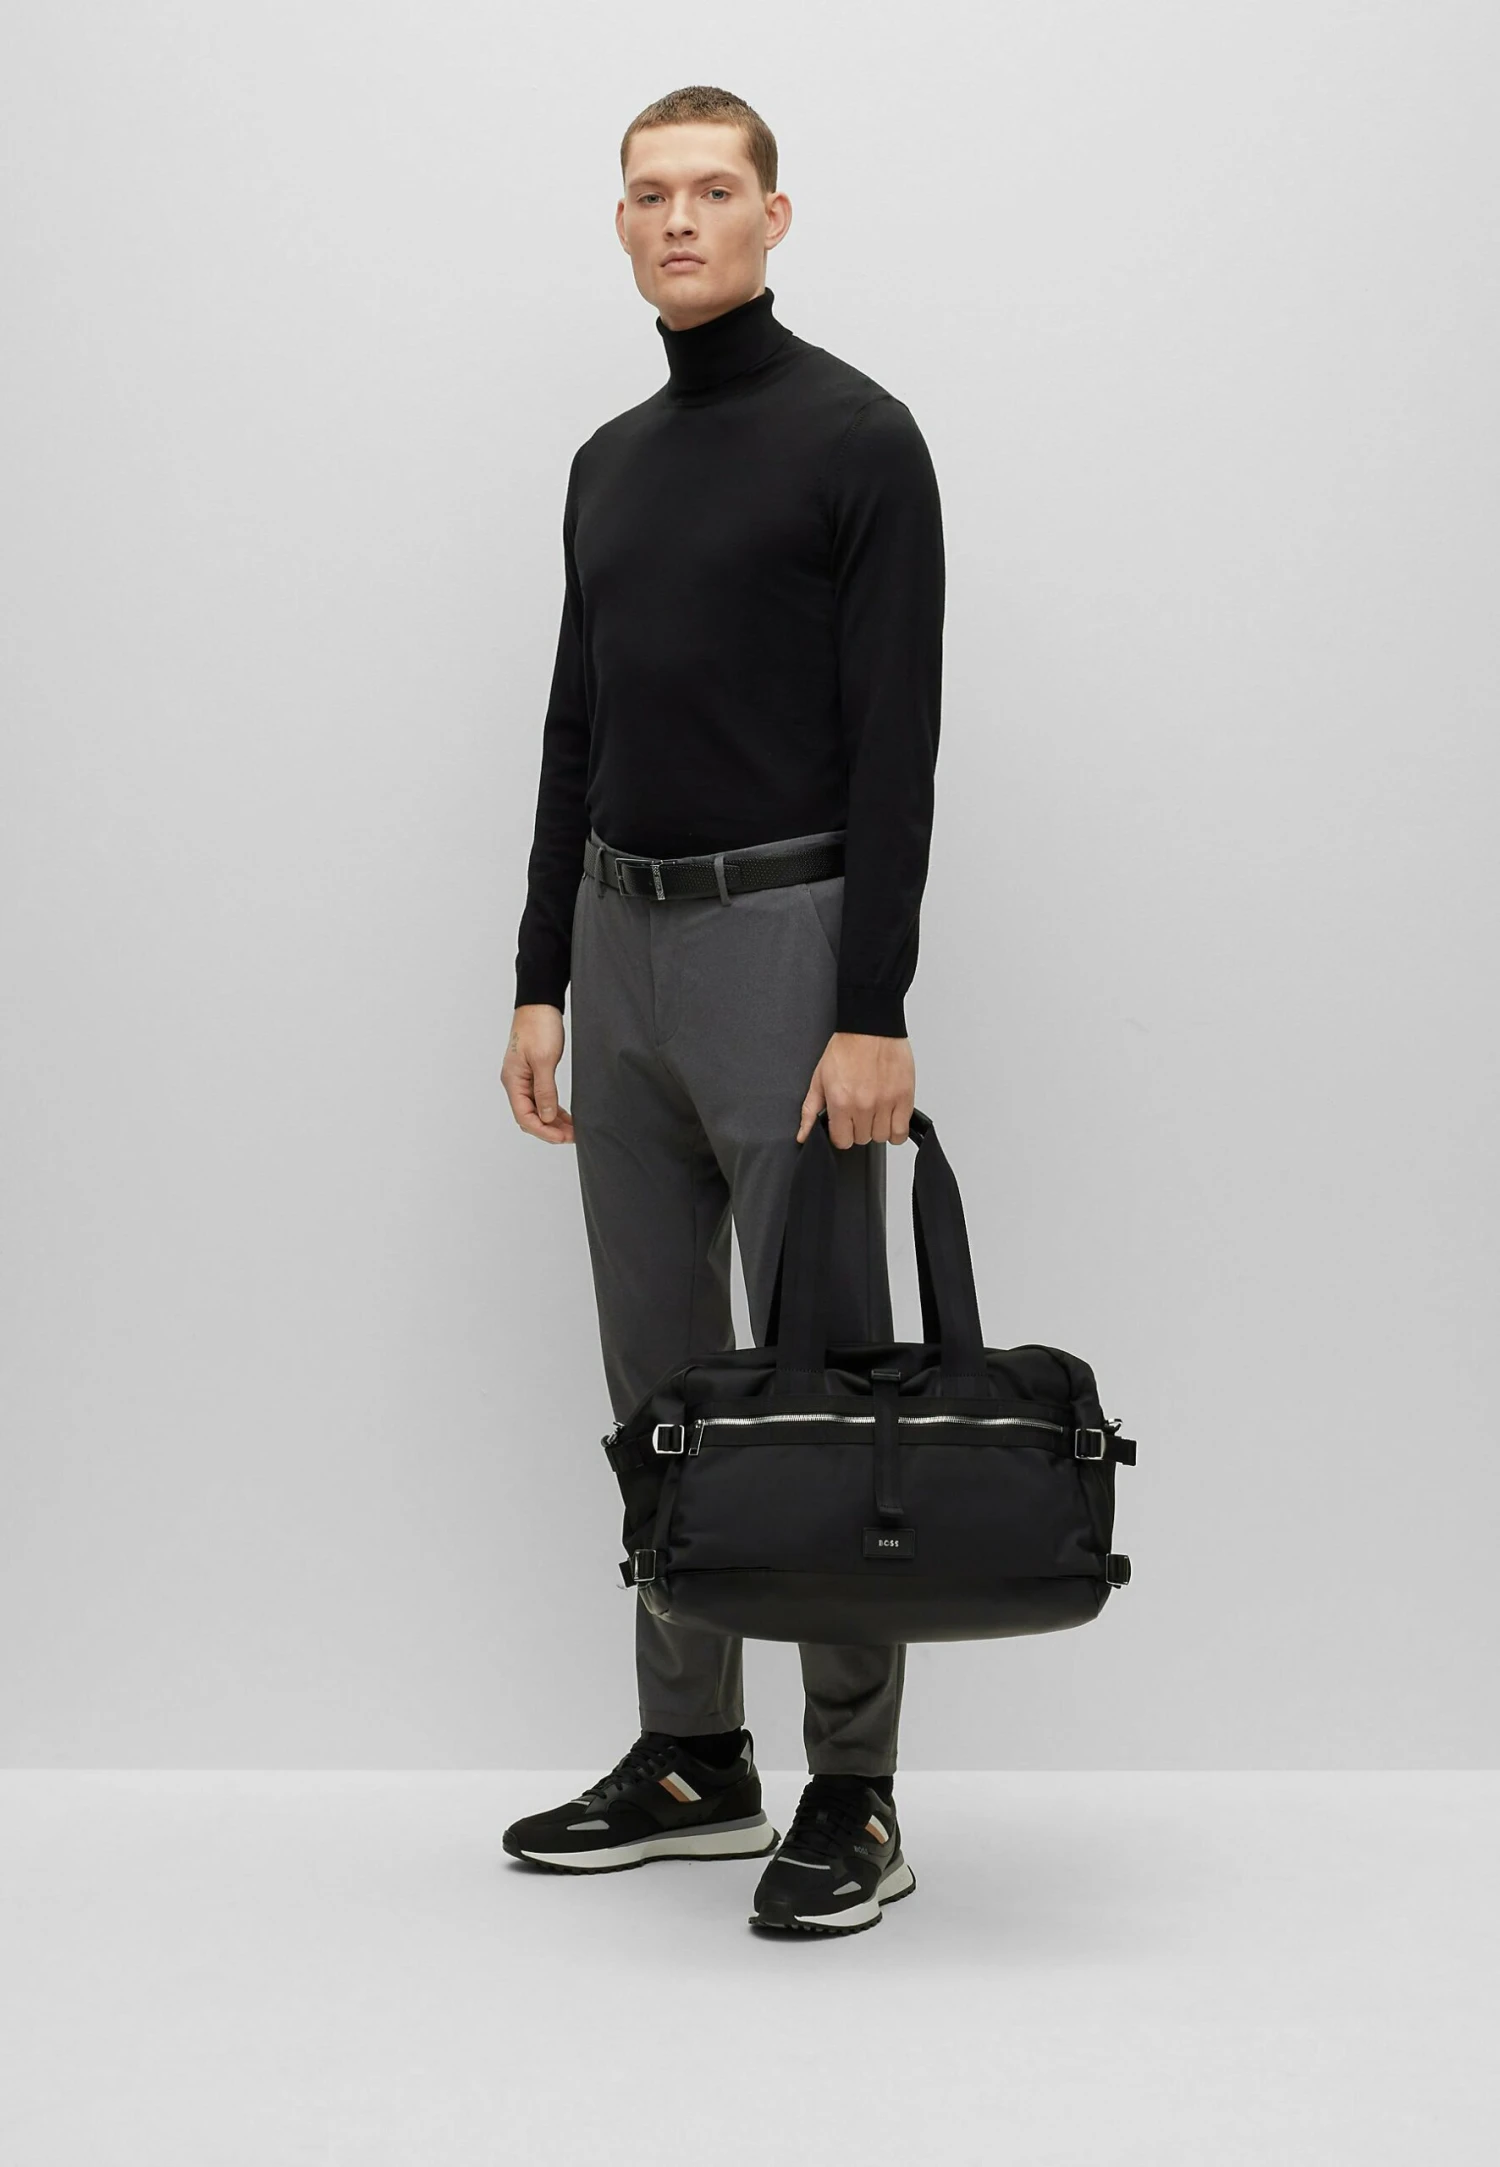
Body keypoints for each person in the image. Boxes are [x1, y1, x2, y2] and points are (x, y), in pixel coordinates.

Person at [499, 84, 944, 1937]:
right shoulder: (607, 462)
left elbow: (896, 738)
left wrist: (873, 1002)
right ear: (620, 225)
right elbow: (575, 723)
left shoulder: (860, 439)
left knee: (823, 1378)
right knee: (660, 1380)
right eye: (647, 194)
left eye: (710, 189)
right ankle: (694, 1752)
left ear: (775, 215)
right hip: (623, 945)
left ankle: (854, 1788)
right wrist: (540, 974)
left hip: (788, 937)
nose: (677, 219)